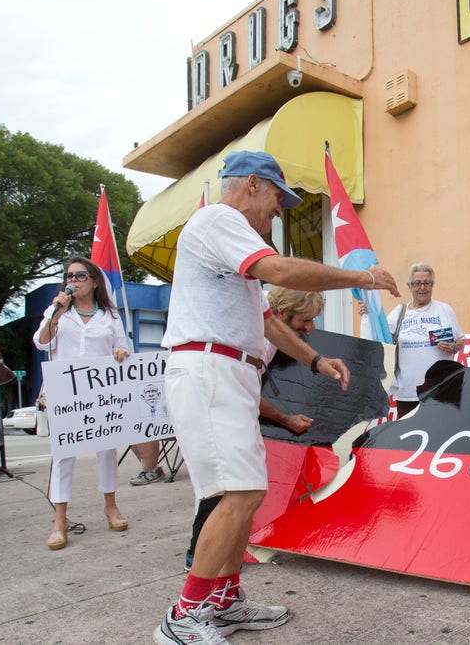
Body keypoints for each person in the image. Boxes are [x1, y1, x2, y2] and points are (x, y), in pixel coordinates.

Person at [153, 150, 399, 645]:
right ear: (250, 185)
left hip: (228, 371)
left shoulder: (230, 239)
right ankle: (184, 614)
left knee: (244, 492)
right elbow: (283, 275)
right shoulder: (218, 219)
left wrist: (314, 359)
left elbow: (266, 321)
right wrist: (362, 277)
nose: (279, 211)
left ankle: (223, 601)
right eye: (277, 198)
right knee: (237, 493)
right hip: (209, 368)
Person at [183, 287, 325, 571]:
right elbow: (246, 390)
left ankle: (219, 564)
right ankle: (198, 556)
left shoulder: (270, 329)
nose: (311, 328)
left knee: (237, 486)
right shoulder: (253, 334)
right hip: (214, 399)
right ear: (283, 313)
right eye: (306, 320)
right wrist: (285, 419)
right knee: (224, 487)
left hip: (226, 399)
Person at [34, 256, 132, 551]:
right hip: (67, 392)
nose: (73, 281)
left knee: (107, 450)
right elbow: (41, 341)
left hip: (100, 394)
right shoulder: (58, 311)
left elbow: (123, 346)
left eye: (79, 276)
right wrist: (57, 314)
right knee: (63, 455)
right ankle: (59, 519)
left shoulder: (110, 316)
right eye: (69, 276)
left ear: (93, 281)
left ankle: (111, 507)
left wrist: (120, 354)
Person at [385, 263, 464, 418]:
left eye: (426, 283)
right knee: (407, 438)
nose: (422, 288)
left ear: (432, 285)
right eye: (417, 283)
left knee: (439, 435)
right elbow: (381, 337)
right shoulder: (399, 313)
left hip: (439, 391)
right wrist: (367, 313)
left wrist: (453, 347)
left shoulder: (444, 310)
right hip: (407, 392)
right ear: (409, 286)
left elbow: (461, 340)